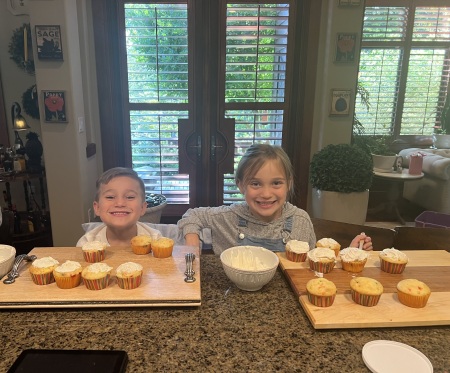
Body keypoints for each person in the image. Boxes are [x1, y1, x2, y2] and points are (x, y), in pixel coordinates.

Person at [178, 144, 372, 255]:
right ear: (240, 185)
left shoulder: (300, 221)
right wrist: (192, 239)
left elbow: (314, 264)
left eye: (276, 183)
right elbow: (192, 215)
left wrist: (350, 253)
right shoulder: (227, 217)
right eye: (255, 184)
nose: (266, 193)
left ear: (289, 183)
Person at [76, 167, 161, 247]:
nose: (120, 203)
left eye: (130, 197)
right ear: (97, 208)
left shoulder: (156, 240)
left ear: (142, 208)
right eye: (110, 197)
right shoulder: (87, 243)